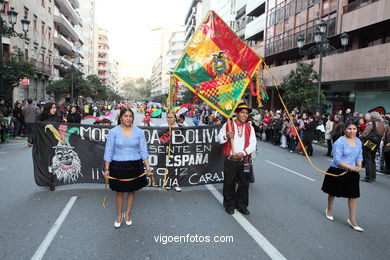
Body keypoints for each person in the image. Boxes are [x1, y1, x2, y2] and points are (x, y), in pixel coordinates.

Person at [103, 108, 151, 228]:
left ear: (133, 118)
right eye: (125, 116)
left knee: (131, 190)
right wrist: (107, 168)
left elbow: (143, 150)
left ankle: (127, 214)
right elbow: (108, 151)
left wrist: (148, 166)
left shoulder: (139, 132)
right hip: (118, 165)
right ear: (121, 118)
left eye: (130, 116)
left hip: (135, 165)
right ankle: (119, 215)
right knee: (119, 192)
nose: (128, 118)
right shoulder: (113, 132)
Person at [321, 121, 364, 232]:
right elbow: (337, 160)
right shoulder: (339, 142)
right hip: (337, 170)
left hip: (353, 173)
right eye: (349, 128)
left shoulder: (358, 141)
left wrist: (359, 165)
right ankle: (329, 209)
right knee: (333, 192)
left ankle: (352, 219)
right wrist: (352, 168)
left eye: (354, 128)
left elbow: (359, 155)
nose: (352, 131)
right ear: (344, 129)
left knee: (353, 195)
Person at [218, 103, 256, 215]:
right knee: (229, 183)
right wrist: (226, 136)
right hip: (230, 159)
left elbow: (253, 144)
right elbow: (219, 139)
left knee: (244, 184)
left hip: (246, 160)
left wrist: (243, 153)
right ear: (236, 113)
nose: (245, 115)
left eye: (246, 113)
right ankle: (229, 205)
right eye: (242, 112)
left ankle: (242, 205)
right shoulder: (228, 125)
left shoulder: (250, 127)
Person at [360, 112, 387, 183]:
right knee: (372, 158)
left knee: (368, 158)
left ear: (372, 117)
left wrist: (361, 136)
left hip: (369, 142)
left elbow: (365, 134)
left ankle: (368, 177)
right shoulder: (383, 125)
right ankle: (373, 176)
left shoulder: (371, 123)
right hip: (377, 143)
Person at [161, 110, 182, 192]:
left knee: (176, 167)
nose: (169, 119)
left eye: (171, 117)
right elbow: (159, 139)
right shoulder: (162, 126)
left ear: (175, 118)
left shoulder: (180, 127)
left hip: (177, 150)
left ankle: (175, 184)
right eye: (168, 117)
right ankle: (167, 183)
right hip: (166, 151)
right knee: (167, 167)